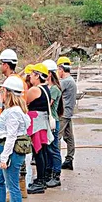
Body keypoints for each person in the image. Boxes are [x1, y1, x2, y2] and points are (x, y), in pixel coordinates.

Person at [0, 76, 32, 202]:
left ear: (9, 93)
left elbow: (11, 136)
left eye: (3, 90)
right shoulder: (18, 111)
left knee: (12, 185)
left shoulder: (13, 112)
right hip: (9, 150)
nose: (1, 93)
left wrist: (4, 158)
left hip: (10, 151)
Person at [23, 64, 54, 194]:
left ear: (37, 75)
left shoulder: (35, 90)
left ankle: (40, 182)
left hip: (36, 124)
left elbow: (24, 101)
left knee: (38, 152)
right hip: (41, 123)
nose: (29, 76)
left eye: (32, 74)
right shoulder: (45, 88)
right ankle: (42, 179)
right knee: (42, 151)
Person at [43, 59, 64, 188]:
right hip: (47, 122)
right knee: (48, 148)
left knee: (54, 149)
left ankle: (56, 175)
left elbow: (47, 105)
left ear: (49, 74)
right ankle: (49, 172)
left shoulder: (55, 89)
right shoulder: (48, 88)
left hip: (52, 122)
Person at [56, 56, 78, 170]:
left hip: (63, 114)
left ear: (61, 69)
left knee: (57, 137)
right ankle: (69, 159)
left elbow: (54, 92)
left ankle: (56, 161)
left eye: (57, 69)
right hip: (68, 113)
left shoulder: (65, 82)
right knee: (69, 137)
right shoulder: (71, 81)